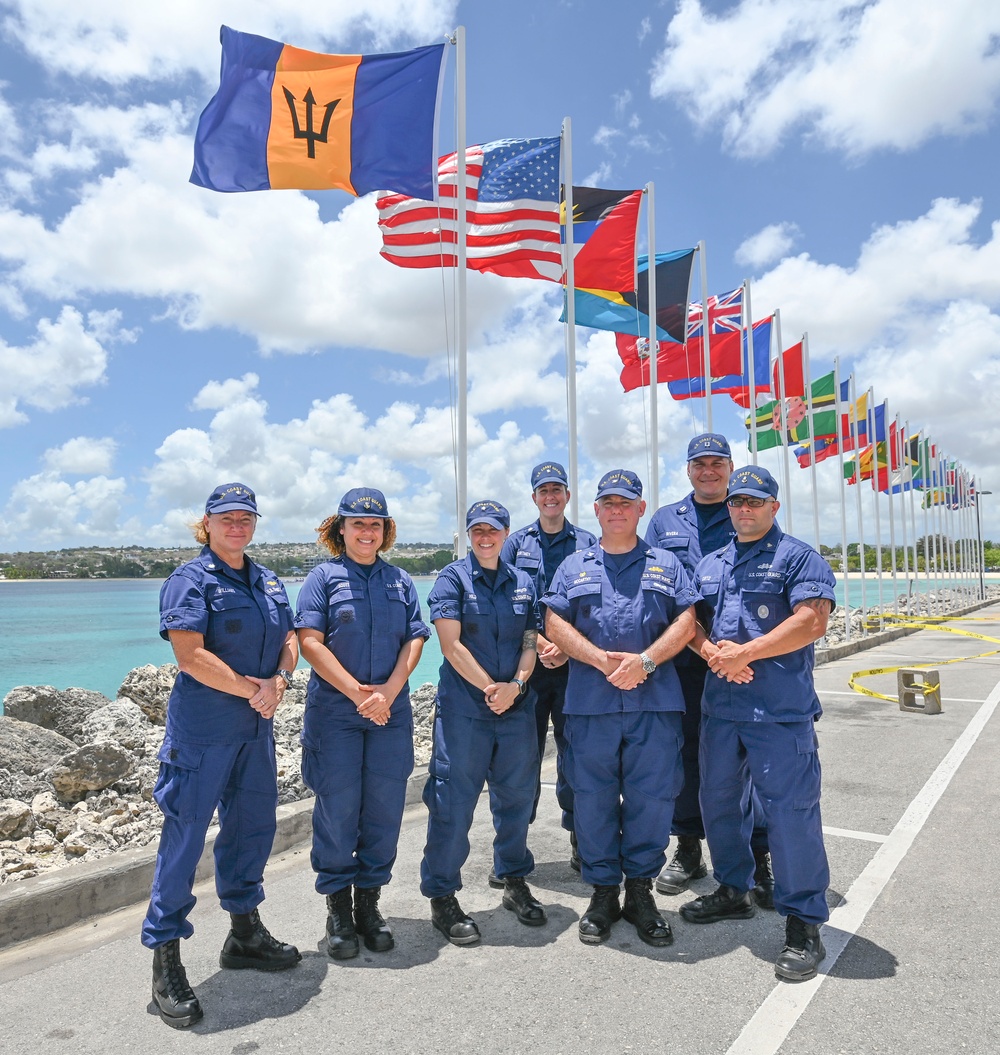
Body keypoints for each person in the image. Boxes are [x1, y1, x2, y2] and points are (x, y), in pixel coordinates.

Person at [142, 482, 300, 1030]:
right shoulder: (189, 579)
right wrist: (254, 691)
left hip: (255, 731)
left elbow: (290, 639)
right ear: (206, 523)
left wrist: (278, 680)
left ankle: (244, 934)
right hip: (203, 734)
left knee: (251, 830)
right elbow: (190, 656)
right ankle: (165, 963)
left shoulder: (268, 579)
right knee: (184, 840)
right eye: (226, 517)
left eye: (246, 517)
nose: (237, 525)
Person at [679, 465, 836, 982]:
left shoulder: (798, 557)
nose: (744, 509)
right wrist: (711, 654)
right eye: (737, 502)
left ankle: (803, 924)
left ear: (774, 506)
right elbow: (692, 622)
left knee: (791, 816)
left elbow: (811, 620)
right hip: (721, 710)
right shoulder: (711, 562)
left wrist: (745, 651)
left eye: (754, 501)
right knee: (719, 805)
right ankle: (732, 889)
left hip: (778, 712)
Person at [542, 469, 698, 947]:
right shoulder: (574, 566)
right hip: (591, 706)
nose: (616, 510)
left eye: (625, 503)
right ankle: (604, 892)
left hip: (654, 704)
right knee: (592, 800)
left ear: (640, 509)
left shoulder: (667, 563)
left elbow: (688, 620)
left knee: (652, 800)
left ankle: (641, 893)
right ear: (595, 510)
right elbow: (553, 620)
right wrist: (598, 659)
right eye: (608, 502)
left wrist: (646, 662)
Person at [295, 488, 430, 959]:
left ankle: (369, 905)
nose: (366, 531)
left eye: (375, 525)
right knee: (337, 807)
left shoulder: (399, 580)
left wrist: (388, 692)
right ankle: (338, 909)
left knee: (384, 807)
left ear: (385, 531)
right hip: (337, 713)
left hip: (389, 712)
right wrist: (358, 694)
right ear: (341, 530)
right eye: (357, 524)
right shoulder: (322, 578)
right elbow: (310, 642)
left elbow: (415, 637)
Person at [645, 434, 774, 908]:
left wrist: (744, 651)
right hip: (682, 663)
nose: (708, 471)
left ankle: (759, 857)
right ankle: (688, 848)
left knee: (750, 760)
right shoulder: (663, 521)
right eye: (699, 463)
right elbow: (654, 587)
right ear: (688, 469)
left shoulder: (748, 509)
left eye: (717, 462)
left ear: (730, 465)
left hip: (743, 662)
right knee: (684, 756)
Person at [420, 500, 546, 945]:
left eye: (493, 530)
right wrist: (493, 688)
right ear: (469, 534)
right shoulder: (452, 578)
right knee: (452, 805)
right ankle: (443, 896)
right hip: (465, 713)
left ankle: (513, 880)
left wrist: (517, 682)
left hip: (515, 710)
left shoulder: (525, 582)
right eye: (477, 530)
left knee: (516, 800)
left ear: (507, 533)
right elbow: (451, 645)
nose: (485, 537)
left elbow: (531, 639)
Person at [499, 460, 597, 877]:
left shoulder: (590, 542)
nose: (551, 497)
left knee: (579, 759)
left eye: (558, 489)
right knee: (521, 761)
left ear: (568, 497)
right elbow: (503, 604)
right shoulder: (514, 543)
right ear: (534, 497)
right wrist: (538, 643)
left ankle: (581, 843)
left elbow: (597, 606)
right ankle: (513, 852)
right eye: (544, 491)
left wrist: (568, 648)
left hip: (576, 670)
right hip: (527, 668)